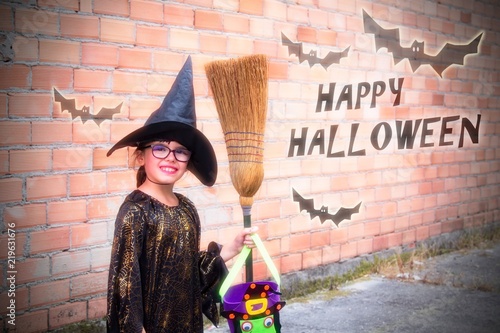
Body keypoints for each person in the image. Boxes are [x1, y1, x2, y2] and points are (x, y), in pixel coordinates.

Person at [106, 56, 257, 333]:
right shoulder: (135, 213)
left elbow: (188, 275)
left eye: (181, 150)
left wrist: (231, 250)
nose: (171, 157)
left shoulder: (186, 209)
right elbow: (125, 285)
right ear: (141, 155)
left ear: (188, 162)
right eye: (160, 148)